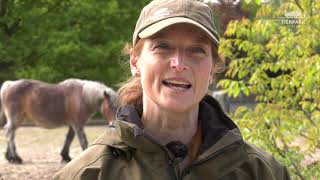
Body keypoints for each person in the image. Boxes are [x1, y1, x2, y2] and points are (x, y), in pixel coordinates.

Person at [52, 0, 290, 179]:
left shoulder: (261, 172)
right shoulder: (90, 173)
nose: (179, 63)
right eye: (162, 47)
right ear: (135, 62)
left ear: (213, 69)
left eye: (196, 50)